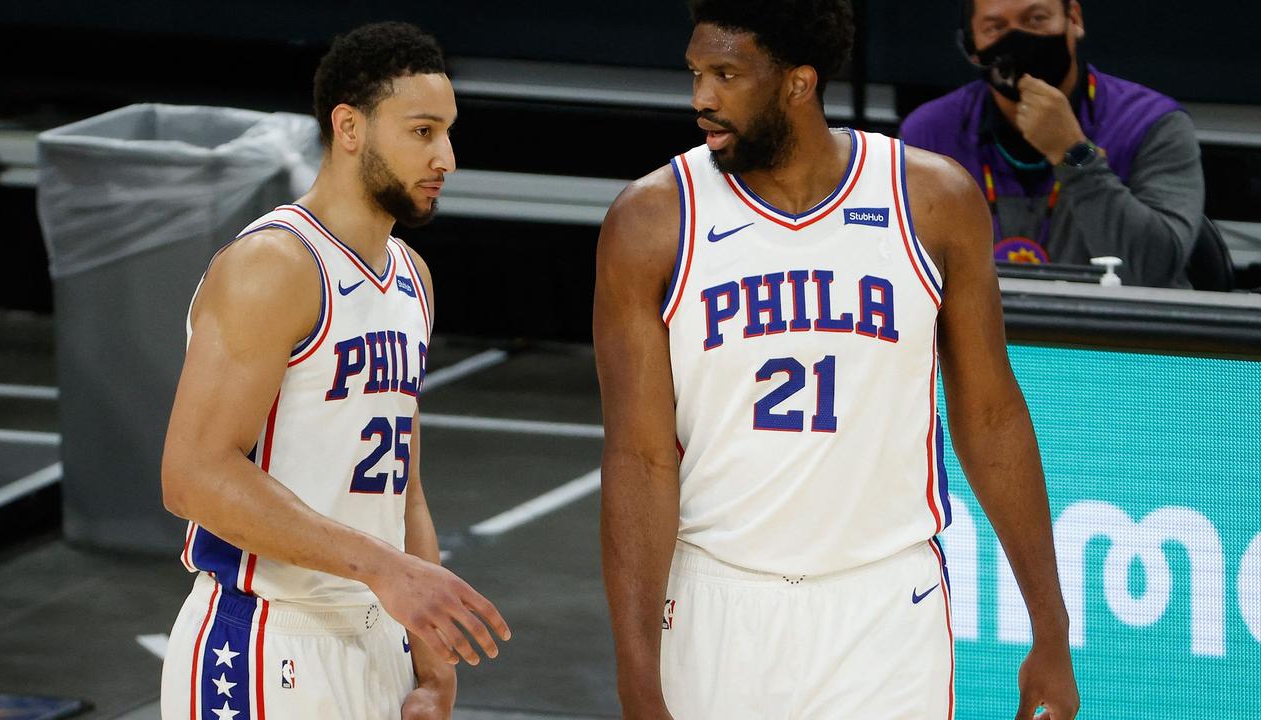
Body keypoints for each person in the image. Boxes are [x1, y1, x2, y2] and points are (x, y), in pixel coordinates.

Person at [594, 1, 1079, 718]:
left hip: (887, 605)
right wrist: (637, 679)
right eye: (697, 73)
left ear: (798, 83)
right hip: (716, 598)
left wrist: (1052, 629)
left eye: (727, 74)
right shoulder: (651, 221)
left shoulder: (932, 199)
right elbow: (638, 461)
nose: (702, 98)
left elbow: (989, 416)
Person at [159, 21, 510, 720]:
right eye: (421, 132)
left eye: (447, 131)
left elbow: (402, 488)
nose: (445, 156)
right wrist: (385, 570)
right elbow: (192, 475)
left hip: (374, 637)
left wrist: (432, 661)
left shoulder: (413, 277)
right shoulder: (274, 266)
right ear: (348, 127)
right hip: (260, 639)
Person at [900, 0, 1204, 288]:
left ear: (1073, 19)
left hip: (1113, 337)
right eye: (995, 28)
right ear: (972, 48)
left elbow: (1153, 272)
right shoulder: (929, 136)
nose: (1018, 40)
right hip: (981, 338)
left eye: (1036, 20)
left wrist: (1074, 154)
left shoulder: (1152, 124)